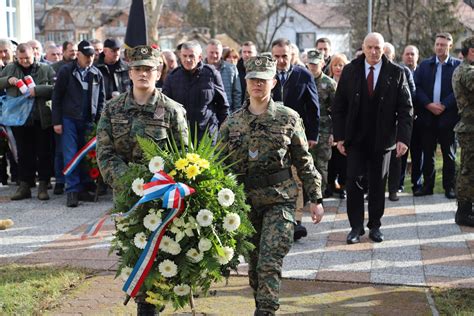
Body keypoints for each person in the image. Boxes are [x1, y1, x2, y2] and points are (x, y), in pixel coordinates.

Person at [220, 55, 324, 316]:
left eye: (263, 80)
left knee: (269, 260)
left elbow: (304, 161)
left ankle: (266, 311)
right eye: (253, 79)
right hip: (245, 203)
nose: (258, 84)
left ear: (273, 83)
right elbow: (218, 165)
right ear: (246, 83)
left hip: (280, 199)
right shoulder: (231, 123)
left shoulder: (288, 118)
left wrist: (316, 198)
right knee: (254, 265)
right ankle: (261, 305)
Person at [332, 32, 413, 244]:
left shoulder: (396, 72)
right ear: (363, 47)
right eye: (370, 47)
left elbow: (406, 108)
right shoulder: (350, 70)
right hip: (355, 139)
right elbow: (339, 107)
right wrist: (339, 137)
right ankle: (355, 227)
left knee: (378, 184)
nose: (374, 52)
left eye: (378, 48)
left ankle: (375, 226)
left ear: (383, 49)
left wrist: (403, 139)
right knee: (353, 182)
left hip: (383, 139)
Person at [97, 45, 188, 201]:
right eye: (137, 69)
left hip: (161, 193)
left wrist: (157, 183)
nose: (143, 74)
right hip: (124, 192)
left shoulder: (173, 110)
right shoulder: (112, 109)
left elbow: (182, 154)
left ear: (158, 74)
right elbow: (104, 152)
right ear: (130, 73)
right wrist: (129, 181)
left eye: (148, 69)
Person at [271, 38, 320, 241]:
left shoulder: (303, 75)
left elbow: (313, 106)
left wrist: (312, 135)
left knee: (298, 178)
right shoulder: (266, 76)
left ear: (292, 55)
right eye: (277, 56)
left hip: (297, 136)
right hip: (272, 137)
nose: (281, 60)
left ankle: (297, 222)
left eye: (285, 56)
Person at [52, 40, 106, 207]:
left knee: (86, 155)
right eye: (86, 56)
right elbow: (57, 97)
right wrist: (57, 121)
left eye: (92, 56)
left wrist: (99, 121)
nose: (90, 59)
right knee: (71, 155)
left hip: (89, 120)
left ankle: (83, 188)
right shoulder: (66, 71)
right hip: (69, 119)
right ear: (79, 55)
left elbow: (102, 99)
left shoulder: (97, 73)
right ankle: (72, 191)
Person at [0, 43, 55, 200]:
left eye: (28, 58)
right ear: (16, 56)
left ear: (35, 55)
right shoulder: (10, 68)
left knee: (43, 152)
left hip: (41, 117)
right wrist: (8, 80)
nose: (24, 61)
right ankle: (25, 185)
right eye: (21, 58)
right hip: (19, 119)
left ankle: (43, 185)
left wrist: (37, 90)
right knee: (24, 153)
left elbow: (55, 88)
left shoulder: (45, 68)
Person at [414, 32, 461, 199]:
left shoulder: (458, 66)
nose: (440, 47)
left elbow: (459, 90)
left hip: (448, 118)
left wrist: (443, 105)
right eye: (438, 44)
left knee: (449, 154)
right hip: (427, 116)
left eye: (443, 44)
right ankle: (427, 186)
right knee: (428, 154)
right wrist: (428, 104)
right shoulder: (425, 65)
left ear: (450, 45)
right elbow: (417, 87)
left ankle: (450, 187)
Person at [162, 40, 229, 143]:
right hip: (180, 135)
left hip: (207, 134)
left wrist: (222, 132)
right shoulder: (172, 77)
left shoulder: (211, 75)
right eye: (184, 56)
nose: (187, 59)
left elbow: (223, 106)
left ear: (199, 57)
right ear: (180, 56)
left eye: (191, 56)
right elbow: (165, 107)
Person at [383, 42, 416, 201]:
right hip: (378, 124)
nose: (385, 55)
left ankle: (394, 189)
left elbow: (410, 94)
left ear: (393, 55)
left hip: (396, 122)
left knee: (396, 159)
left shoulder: (402, 71)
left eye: (388, 53)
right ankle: (374, 189)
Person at [306, 49, 337, 199]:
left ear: (323, 63)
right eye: (310, 64)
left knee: (322, 164)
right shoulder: (303, 81)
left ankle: (320, 194)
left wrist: (333, 133)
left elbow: (337, 111)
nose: (312, 67)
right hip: (305, 129)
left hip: (324, 129)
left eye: (316, 64)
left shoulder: (329, 84)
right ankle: (307, 195)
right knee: (306, 164)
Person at [452, 36, 474, 227]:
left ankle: (467, 208)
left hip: (470, 127)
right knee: (468, 170)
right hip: (470, 129)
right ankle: (464, 212)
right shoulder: (467, 71)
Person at [326, 53, 349, 198]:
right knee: (331, 159)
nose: (338, 68)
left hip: (344, 125)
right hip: (328, 125)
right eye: (335, 65)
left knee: (343, 158)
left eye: (341, 65)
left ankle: (342, 186)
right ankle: (330, 185)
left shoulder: (350, 82)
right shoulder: (327, 82)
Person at [402, 44, 424, 194]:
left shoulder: (423, 73)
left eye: (412, 54)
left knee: (418, 154)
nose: (410, 57)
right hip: (403, 122)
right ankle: (399, 184)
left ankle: (417, 184)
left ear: (417, 57)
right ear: (403, 56)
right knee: (401, 153)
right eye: (407, 54)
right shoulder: (399, 72)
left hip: (419, 120)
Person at [205, 39, 242, 113]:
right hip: (206, 114)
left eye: (217, 53)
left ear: (221, 53)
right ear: (206, 52)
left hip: (227, 113)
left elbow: (237, 93)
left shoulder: (231, 69)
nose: (214, 55)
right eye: (211, 52)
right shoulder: (200, 69)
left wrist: (236, 113)